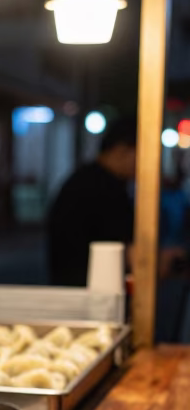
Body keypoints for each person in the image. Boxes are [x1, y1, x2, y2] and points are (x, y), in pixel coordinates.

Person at [47, 115, 138, 287]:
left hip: (74, 288)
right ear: (122, 150)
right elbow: (121, 249)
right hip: (90, 292)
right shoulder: (103, 188)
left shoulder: (85, 179)